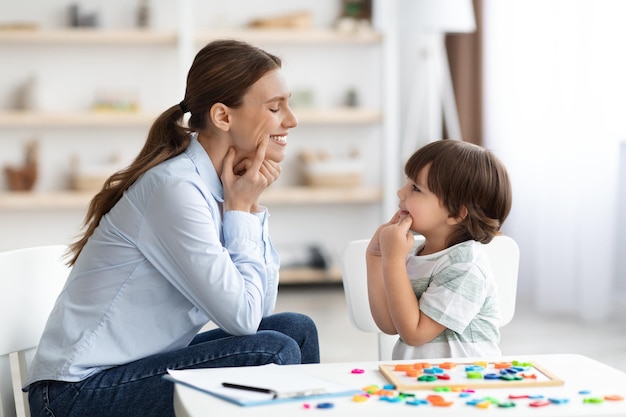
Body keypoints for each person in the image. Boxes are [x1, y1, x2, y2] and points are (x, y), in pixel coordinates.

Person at [24, 39, 320, 417]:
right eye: (275, 107)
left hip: (127, 375)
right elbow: (244, 321)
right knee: (272, 352)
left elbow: (259, 307)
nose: (291, 120)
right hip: (74, 395)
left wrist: (249, 207)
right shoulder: (176, 189)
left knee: (296, 330)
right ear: (223, 117)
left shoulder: (219, 188)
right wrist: (242, 210)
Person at [366, 139, 512, 360]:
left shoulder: (465, 266)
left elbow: (414, 333)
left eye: (415, 188)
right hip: (420, 380)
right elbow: (389, 324)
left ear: (455, 214)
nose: (400, 192)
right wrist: (376, 256)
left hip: (465, 382)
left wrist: (393, 260)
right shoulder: (413, 251)